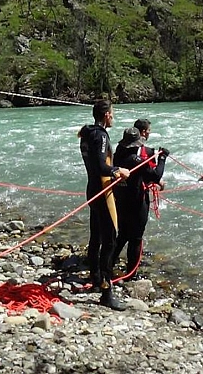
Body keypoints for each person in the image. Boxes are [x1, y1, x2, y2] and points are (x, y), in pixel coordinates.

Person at [78, 100, 130, 310]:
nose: (113, 117)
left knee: (96, 237)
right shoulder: (100, 135)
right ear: (107, 115)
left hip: (93, 188)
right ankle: (106, 291)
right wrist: (118, 171)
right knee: (110, 240)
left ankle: (96, 278)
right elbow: (101, 165)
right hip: (103, 191)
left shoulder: (87, 133)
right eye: (112, 113)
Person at [112, 125, 168, 281]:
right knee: (136, 238)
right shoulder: (135, 160)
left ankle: (108, 264)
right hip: (136, 201)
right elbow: (155, 175)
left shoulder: (118, 154)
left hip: (121, 199)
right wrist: (163, 158)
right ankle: (131, 273)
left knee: (122, 234)